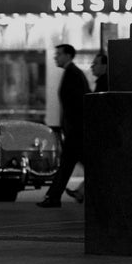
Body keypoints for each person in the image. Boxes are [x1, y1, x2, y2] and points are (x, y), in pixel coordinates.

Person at [38, 44, 90, 208]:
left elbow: (75, 105)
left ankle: (53, 197)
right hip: (76, 130)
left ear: (68, 56)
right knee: (69, 164)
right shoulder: (72, 73)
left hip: (76, 130)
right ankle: (53, 196)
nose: (55, 57)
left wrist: (70, 128)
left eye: (59, 54)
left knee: (68, 164)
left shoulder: (73, 74)